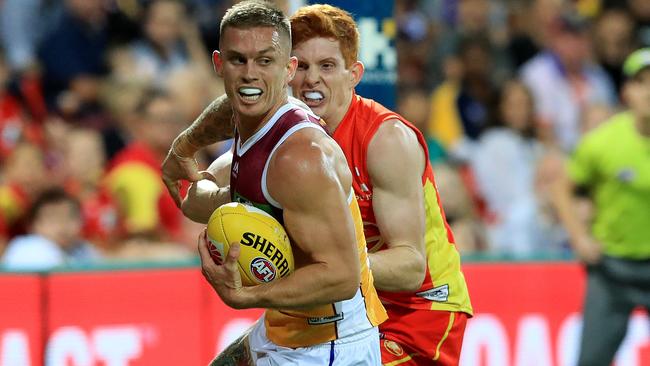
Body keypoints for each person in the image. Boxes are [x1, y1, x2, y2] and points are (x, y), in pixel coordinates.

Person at [165, 4, 472, 365]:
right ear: (288, 70)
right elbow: (234, 107)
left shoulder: (385, 140)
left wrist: (314, 263)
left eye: (326, 66)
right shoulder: (283, 129)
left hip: (417, 312)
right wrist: (185, 148)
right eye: (303, 66)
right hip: (336, 306)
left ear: (354, 74)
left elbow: (410, 267)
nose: (312, 80)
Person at [177, 1, 387, 365]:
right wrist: (183, 147)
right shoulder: (255, 118)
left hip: (327, 345)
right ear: (218, 64)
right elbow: (196, 198)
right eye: (237, 60)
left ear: (288, 69)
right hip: (286, 329)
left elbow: (341, 277)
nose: (249, 74)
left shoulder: (299, 158)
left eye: (264, 60)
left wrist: (245, 297)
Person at [552, 48, 650, 366]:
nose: (649, 90)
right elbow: (561, 188)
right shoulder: (603, 142)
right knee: (591, 361)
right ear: (627, 92)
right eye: (642, 82)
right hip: (612, 270)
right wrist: (579, 237)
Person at [1, 187, 101, 270]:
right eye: (53, 218)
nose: (63, 224)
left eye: (70, 217)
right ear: (33, 226)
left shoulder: (83, 249)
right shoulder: (27, 249)